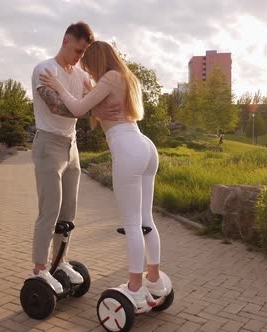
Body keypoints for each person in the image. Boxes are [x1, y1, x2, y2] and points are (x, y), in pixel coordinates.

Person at [40, 40, 166, 308]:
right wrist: (88, 92)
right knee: (146, 220)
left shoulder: (109, 77)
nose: (86, 69)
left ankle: (134, 286)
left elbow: (76, 109)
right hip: (144, 145)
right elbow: (94, 98)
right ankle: (153, 278)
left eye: (88, 64)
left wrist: (58, 85)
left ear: (96, 61)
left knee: (132, 224)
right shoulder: (126, 77)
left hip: (127, 147)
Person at [30, 22, 121, 294]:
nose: (80, 57)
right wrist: (85, 104)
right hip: (48, 144)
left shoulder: (80, 74)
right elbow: (58, 107)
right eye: (78, 50)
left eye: (84, 53)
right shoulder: (44, 70)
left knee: (68, 213)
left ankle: (60, 261)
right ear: (66, 40)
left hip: (72, 147)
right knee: (50, 211)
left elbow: (98, 103)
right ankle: (39, 268)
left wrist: (92, 101)